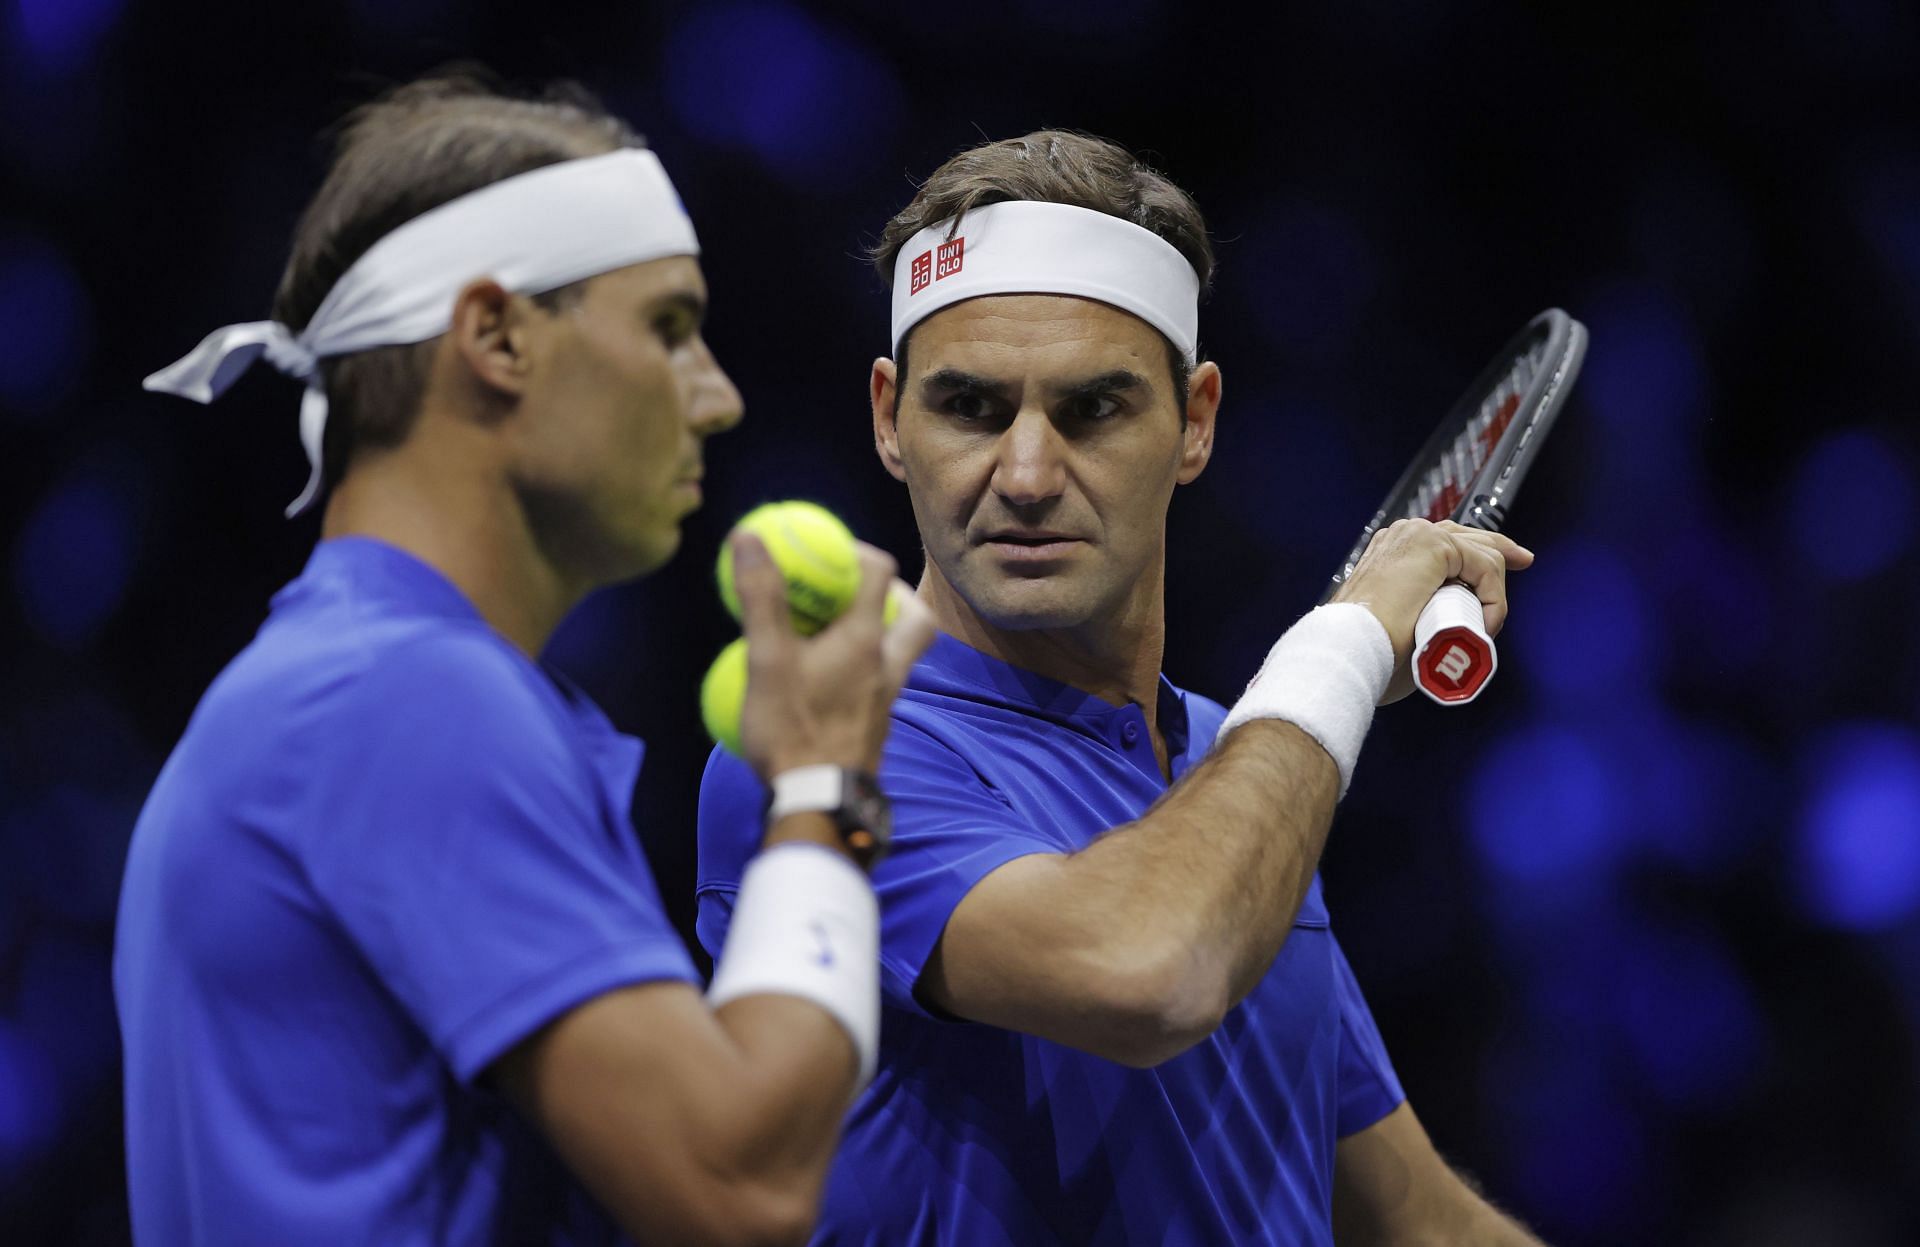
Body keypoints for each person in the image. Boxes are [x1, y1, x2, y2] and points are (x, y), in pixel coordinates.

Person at [115, 74, 933, 1246]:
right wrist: (824, 782)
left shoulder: (337, 687)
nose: (719, 395)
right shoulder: (405, 701)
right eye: (668, 327)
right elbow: (740, 1189)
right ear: (495, 335)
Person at [696, 131, 1547, 1245]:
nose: (1030, 475)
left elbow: (1422, 1224)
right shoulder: (818, 750)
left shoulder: (1235, 770)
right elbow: (1151, 969)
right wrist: (1338, 651)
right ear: (886, 417)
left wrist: (1293, 712)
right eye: (971, 407)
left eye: (1094, 409)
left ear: (1194, 420)